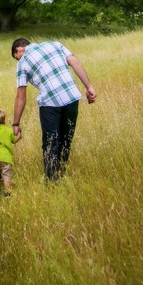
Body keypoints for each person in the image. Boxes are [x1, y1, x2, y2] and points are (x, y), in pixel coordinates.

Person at [11, 38, 96, 182]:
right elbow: (75, 63)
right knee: (66, 139)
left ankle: (51, 181)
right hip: (71, 97)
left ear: (18, 50)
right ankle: (61, 174)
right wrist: (89, 87)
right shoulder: (55, 44)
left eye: (16, 57)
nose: (17, 60)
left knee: (51, 142)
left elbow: (21, 95)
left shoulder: (23, 62)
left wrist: (16, 123)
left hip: (50, 104)